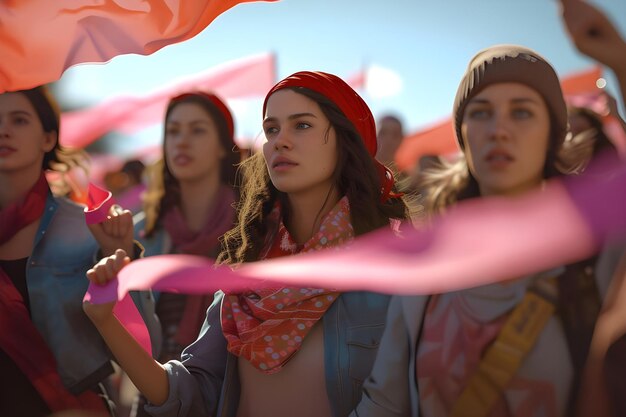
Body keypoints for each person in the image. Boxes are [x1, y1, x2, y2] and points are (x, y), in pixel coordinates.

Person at [83, 71, 412, 417]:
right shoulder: (246, 266)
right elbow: (191, 393)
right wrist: (107, 321)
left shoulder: (390, 272)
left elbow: (391, 404)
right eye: (271, 129)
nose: (280, 141)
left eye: (301, 125)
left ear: (347, 141)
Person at [352, 42, 615, 417]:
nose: (499, 130)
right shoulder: (426, 269)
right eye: (481, 113)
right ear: (463, 134)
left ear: (552, 134)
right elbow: (384, 404)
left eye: (522, 113)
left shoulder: (598, 261)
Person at [0, 85, 157, 417]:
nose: (4, 130)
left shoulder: (86, 228)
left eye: (19, 120)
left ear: (47, 138)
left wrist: (120, 257)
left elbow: (145, 346)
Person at [128, 92, 240, 417]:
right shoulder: (142, 234)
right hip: (155, 397)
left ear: (223, 146)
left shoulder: (253, 228)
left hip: (225, 398)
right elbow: (130, 333)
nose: (182, 141)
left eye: (198, 130)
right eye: (173, 131)